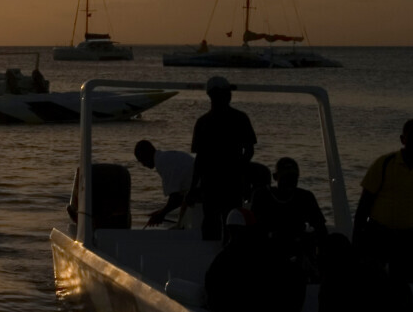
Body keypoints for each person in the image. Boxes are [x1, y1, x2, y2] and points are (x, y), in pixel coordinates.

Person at [353, 118, 413, 279]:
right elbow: (364, 206)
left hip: (409, 240)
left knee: (403, 284)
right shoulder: (384, 164)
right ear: (403, 139)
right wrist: (356, 243)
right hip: (378, 235)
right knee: (371, 281)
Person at [189, 75, 257, 240]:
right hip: (220, 183)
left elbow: (248, 151)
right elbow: (248, 151)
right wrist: (193, 188)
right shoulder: (239, 118)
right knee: (221, 222)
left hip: (223, 183)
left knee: (223, 222)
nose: (228, 96)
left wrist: (193, 187)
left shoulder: (203, 122)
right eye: (225, 92)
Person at [252, 157, 330, 275]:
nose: (289, 183)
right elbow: (254, 231)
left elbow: (321, 230)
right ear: (275, 177)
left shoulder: (305, 197)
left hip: (297, 251)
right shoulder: (262, 196)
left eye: (293, 179)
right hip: (269, 251)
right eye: (285, 178)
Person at [133, 139, 194, 227]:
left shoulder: (163, 163)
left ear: (145, 155)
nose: (143, 165)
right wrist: (161, 212)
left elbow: (175, 198)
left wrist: (161, 214)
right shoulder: (166, 157)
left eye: (141, 160)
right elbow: (180, 197)